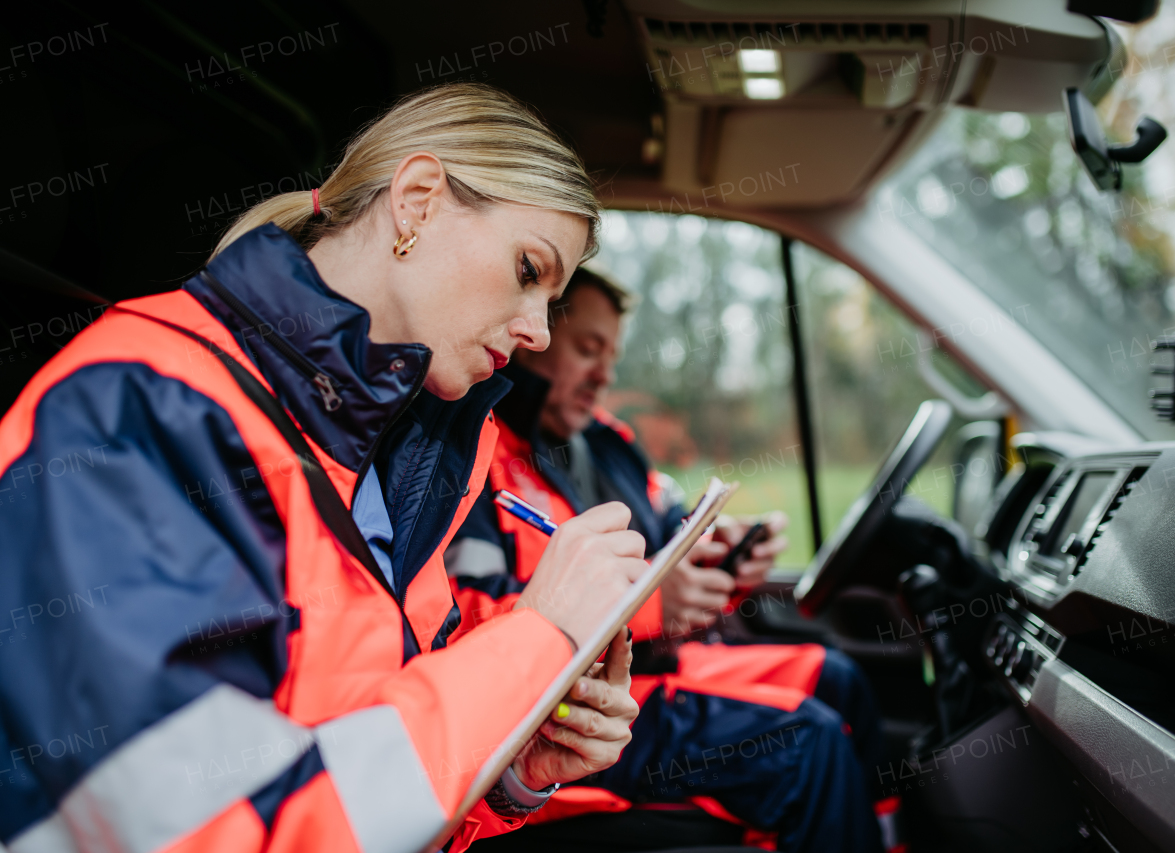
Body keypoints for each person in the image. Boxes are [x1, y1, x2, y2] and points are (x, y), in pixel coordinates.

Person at [0, 83, 647, 853]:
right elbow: (204, 828)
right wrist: (534, 640)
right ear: (417, 202)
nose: (538, 331)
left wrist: (515, 766)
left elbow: (365, 750)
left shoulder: (394, 453)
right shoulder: (135, 406)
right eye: (527, 270)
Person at [444, 269, 886, 852]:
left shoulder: (606, 443)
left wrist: (719, 566)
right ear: (532, 336)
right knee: (810, 741)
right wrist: (647, 604)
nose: (604, 375)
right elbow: (459, 628)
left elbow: (670, 539)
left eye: (612, 355)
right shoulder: (473, 455)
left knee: (839, 677)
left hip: (654, 663)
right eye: (587, 349)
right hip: (564, 710)